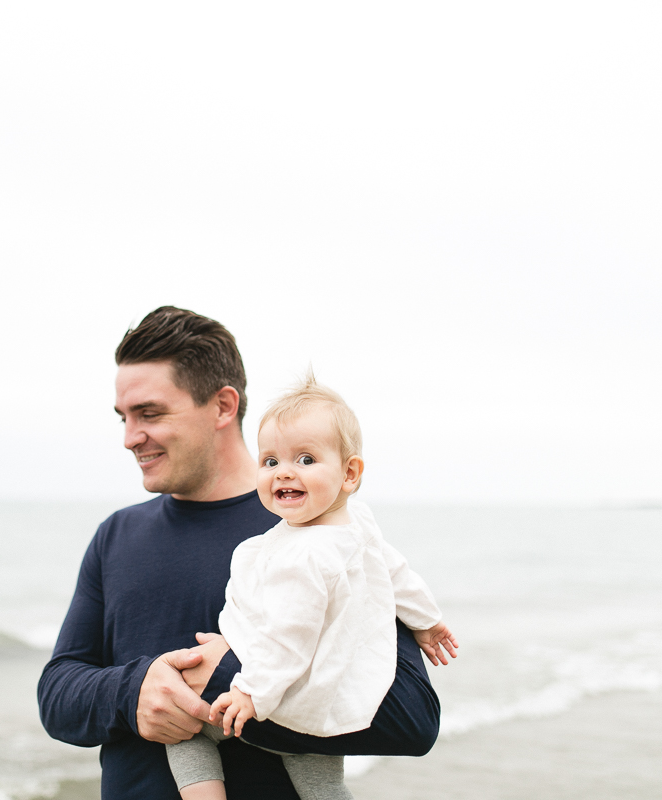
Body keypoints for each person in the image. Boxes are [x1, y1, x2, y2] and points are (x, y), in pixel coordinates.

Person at [38, 307, 441, 800]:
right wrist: (133, 693)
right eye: (124, 418)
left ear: (223, 406)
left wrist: (227, 677)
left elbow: (413, 719)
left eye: (150, 413)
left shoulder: (321, 529)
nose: (129, 437)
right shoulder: (116, 535)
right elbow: (57, 693)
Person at [164, 375, 458, 800]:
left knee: (186, 732)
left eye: (305, 459)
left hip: (283, 692)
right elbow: (396, 574)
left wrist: (250, 691)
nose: (284, 472)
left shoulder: (305, 557)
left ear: (349, 473)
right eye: (270, 462)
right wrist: (427, 620)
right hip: (329, 693)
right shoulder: (356, 524)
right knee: (320, 782)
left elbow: (290, 635)